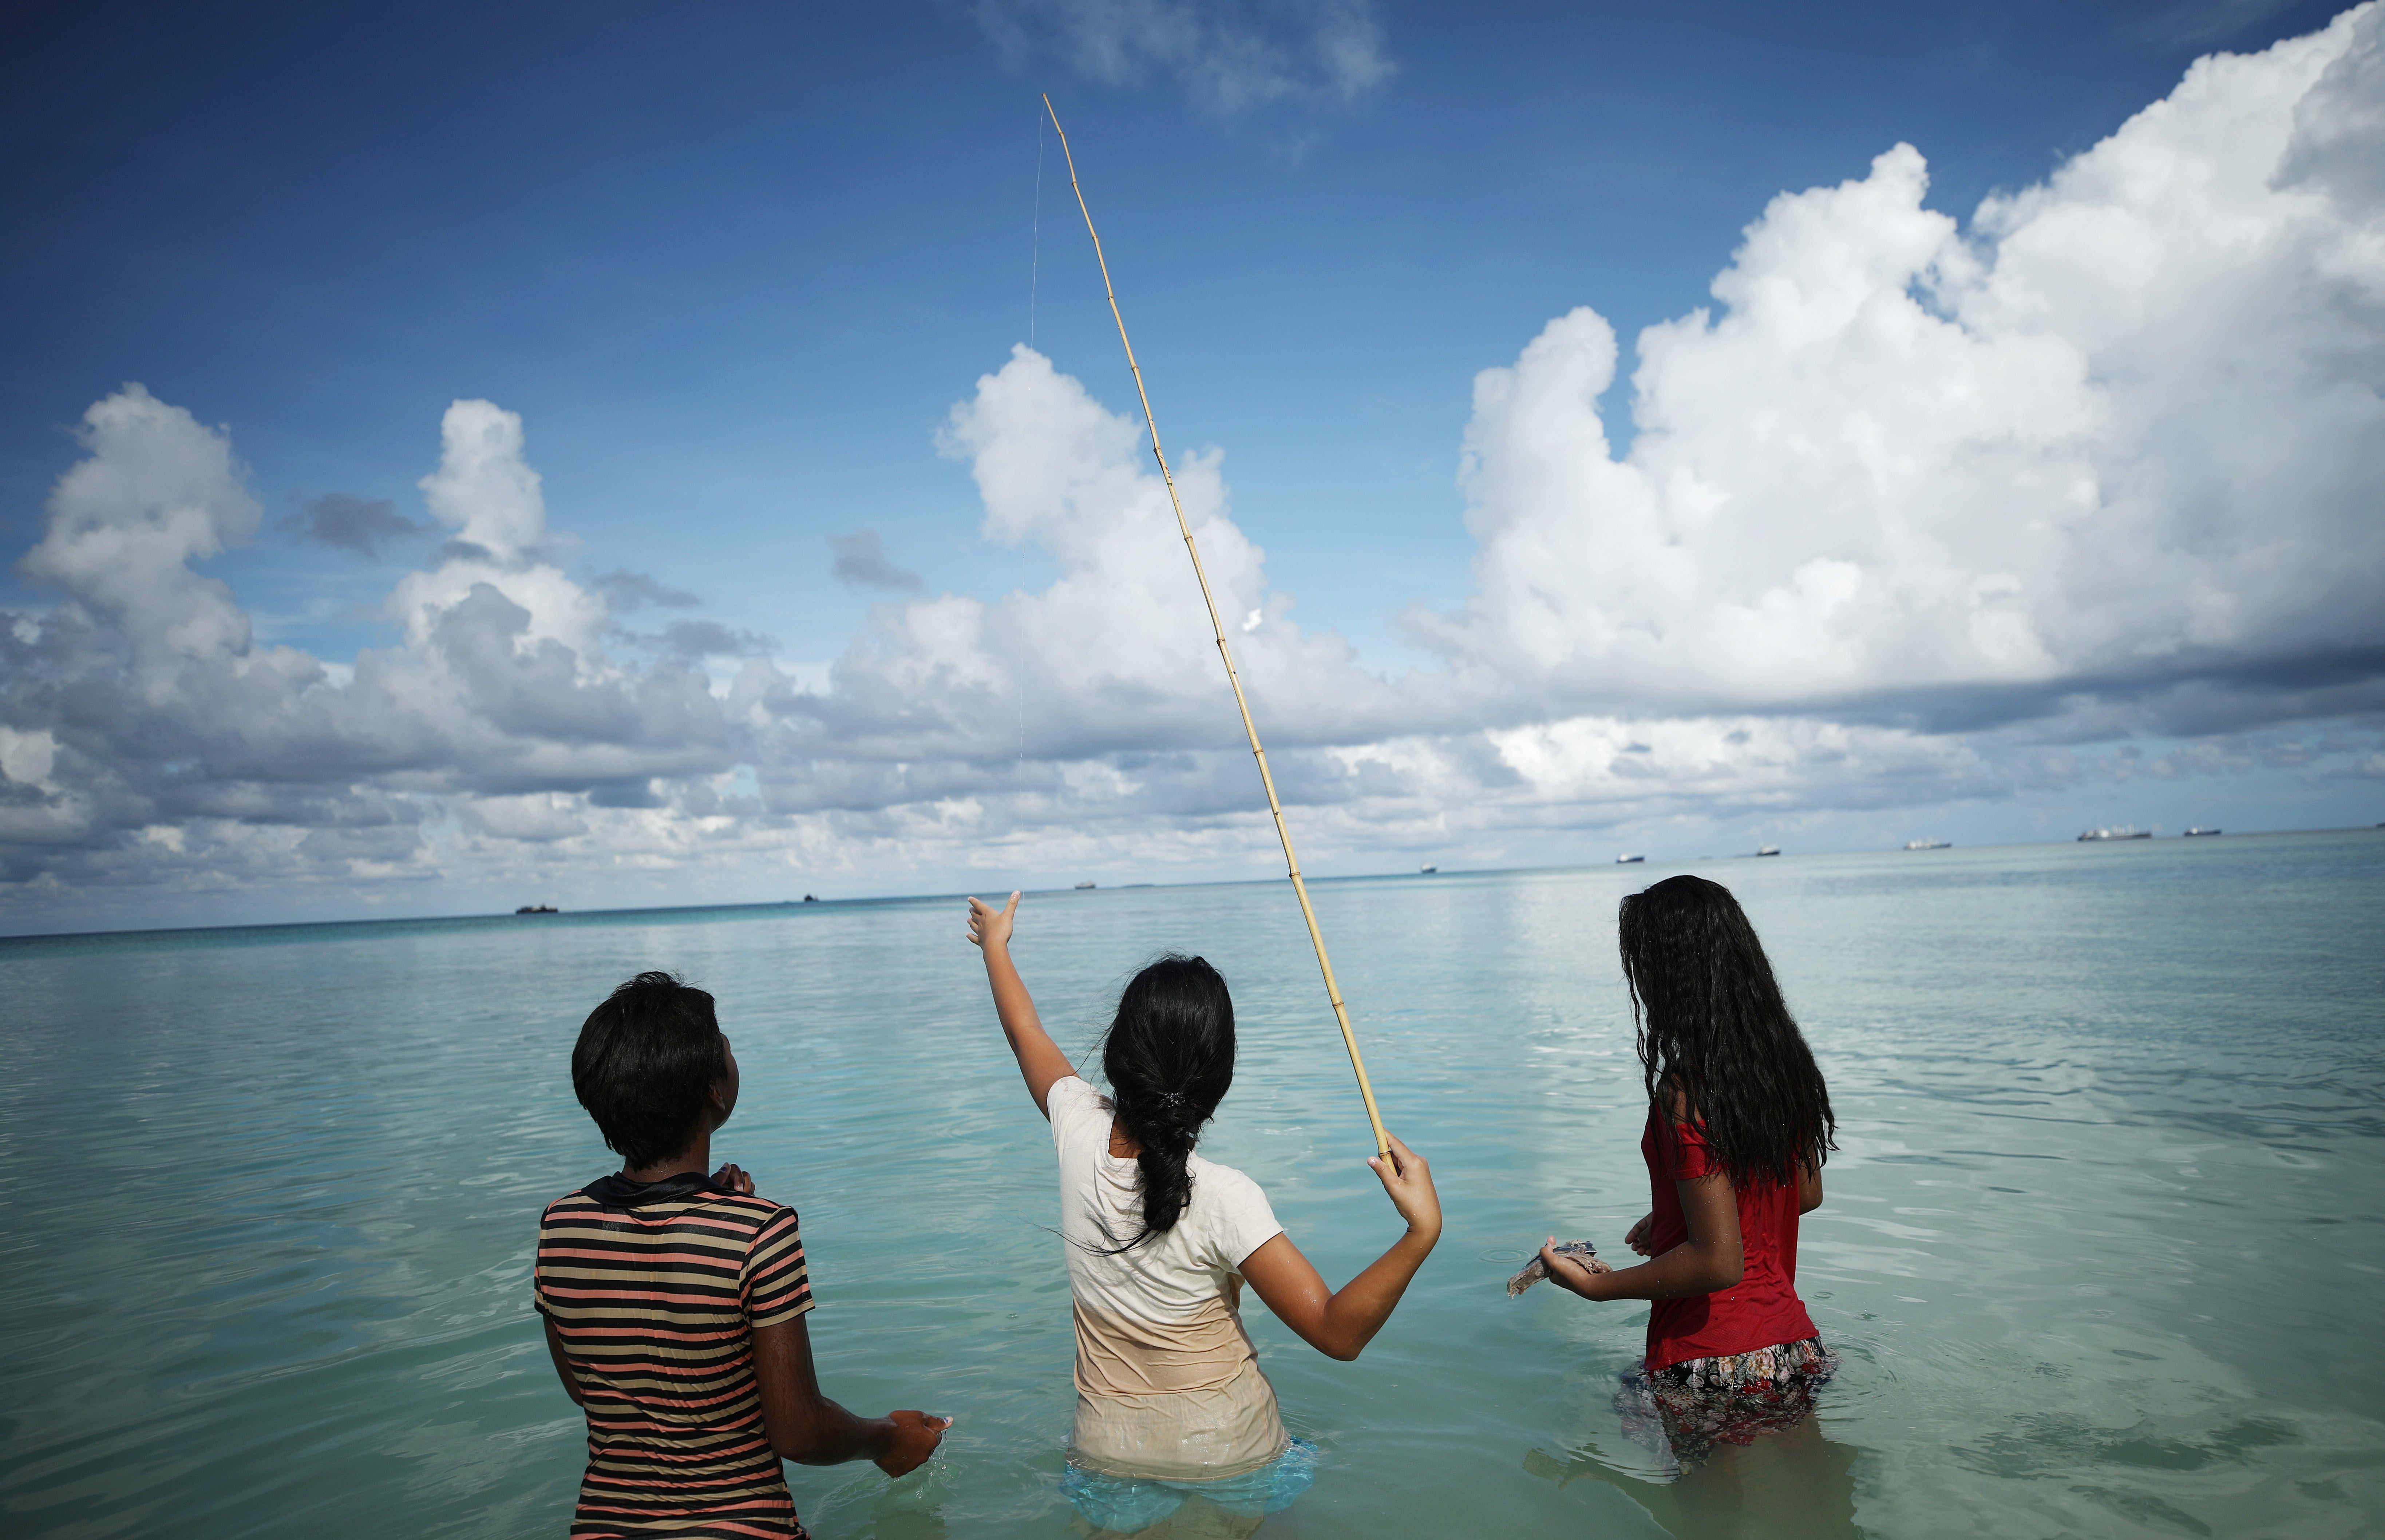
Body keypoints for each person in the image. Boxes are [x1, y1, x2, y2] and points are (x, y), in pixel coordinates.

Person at [965, 891, 1441, 1537]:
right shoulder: (1225, 1197)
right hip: (1228, 1448)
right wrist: (1421, 1233)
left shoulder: (1075, 1130)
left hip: (1112, 1449)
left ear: (1116, 1055)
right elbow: (1338, 1334)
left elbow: (1026, 1032)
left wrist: (996, 944)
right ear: (1219, 1080)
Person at [535, 971, 948, 1539]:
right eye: (726, 1049)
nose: (733, 1057)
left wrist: (717, 1218)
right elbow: (798, 1431)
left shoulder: (561, 1225)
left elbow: (592, 1387)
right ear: (715, 1091)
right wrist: (887, 1440)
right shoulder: (760, 1232)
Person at [1535, 875, 1839, 1466]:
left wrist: (1596, 1287)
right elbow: (1802, 1195)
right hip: (1793, 1351)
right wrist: (1676, 1216)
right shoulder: (1783, 1066)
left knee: (1709, 1521)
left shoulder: (1685, 1091)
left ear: (1669, 977)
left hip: (1707, 1357)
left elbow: (1719, 1263)